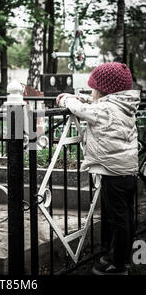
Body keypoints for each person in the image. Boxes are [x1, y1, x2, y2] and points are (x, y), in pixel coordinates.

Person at [56, 62, 140, 275]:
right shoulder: (121, 105)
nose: (91, 91)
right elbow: (95, 103)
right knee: (126, 217)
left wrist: (66, 99)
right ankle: (118, 257)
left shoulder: (104, 109)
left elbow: (84, 110)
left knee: (118, 220)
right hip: (128, 171)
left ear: (103, 90)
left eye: (93, 88)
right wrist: (81, 96)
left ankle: (118, 265)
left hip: (113, 172)